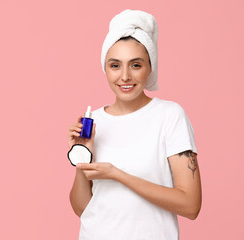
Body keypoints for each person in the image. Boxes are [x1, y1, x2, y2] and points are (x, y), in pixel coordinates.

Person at [68, 9, 202, 240]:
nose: (125, 76)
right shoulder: (95, 122)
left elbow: (190, 205)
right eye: (115, 65)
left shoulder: (169, 116)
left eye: (136, 65)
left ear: (150, 68)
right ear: (105, 69)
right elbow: (83, 209)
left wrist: (118, 175)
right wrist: (83, 156)